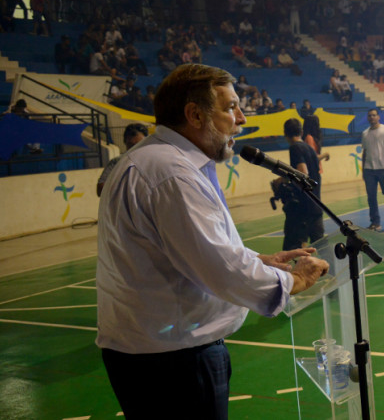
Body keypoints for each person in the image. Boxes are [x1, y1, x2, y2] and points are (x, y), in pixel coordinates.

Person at [96, 64, 329, 420]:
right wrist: (294, 279)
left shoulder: (149, 160)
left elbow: (185, 251)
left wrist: (257, 260)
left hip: (151, 356)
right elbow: (221, 270)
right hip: (174, 362)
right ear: (194, 114)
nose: (242, 118)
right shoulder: (173, 174)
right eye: (231, 107)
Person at [278, 118, 324, 250]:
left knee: (292, 248)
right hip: (316, 204)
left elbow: (303, 173)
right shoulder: (309, 148)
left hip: (302, 208)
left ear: (285, 133)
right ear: (301, 132)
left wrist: (283, 180)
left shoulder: (295, 148)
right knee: (320, 246)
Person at [361, 108, 384, 231]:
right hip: (369, 170)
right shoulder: (365, 133)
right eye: (369, 115)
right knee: (371, 197)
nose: (372, 117)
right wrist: (363, 170)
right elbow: (364, 153)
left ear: (378, 117)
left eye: (374, 115)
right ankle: (375, 222)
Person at [96, 123, 148, 196]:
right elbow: (101, 189)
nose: (135, 149)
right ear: (125, 143)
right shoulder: (116, 162)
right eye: (131, 145)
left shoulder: (153, 161)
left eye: (139, 145)